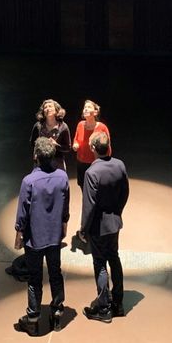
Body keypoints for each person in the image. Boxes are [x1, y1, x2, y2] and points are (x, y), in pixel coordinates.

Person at [14, 137, 70, 336]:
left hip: (34, 237)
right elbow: (65, 205)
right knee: (55, 272)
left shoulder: (29, 181)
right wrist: (64, 223)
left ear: (35, 156)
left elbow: (23, 211)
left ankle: (33, 317)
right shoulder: (62, 177)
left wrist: (19, 232)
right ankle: (57, 312)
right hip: (54, 235)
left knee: (34, 277)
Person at [80, 132, 129, 323]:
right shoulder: (119, 165)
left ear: (92, 148)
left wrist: (83, 229)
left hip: (98, 227)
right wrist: (118, 212)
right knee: (114, 259)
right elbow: (125, 192)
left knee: (100, 264)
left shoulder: (92, 173)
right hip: (114, 223)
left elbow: (89, 205)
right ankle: (118, 303)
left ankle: (104, 308)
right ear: (108, 146)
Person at [72, 99, 111, 243]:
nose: (85, 109)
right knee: (86, 196)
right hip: (82, 165)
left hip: (96, 165)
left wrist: (105, 165)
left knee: (98, 196)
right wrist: (75, 145)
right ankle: (86, 228)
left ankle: (97, 226)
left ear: (95, 112)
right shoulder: (80, 125)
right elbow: (76, 140)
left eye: (89, 107)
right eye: (84, 107)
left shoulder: (102, 127)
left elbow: (107, 148)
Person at [29, 99, 71, 171]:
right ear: (43, 111)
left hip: (57, 161)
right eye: (45, 107)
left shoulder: (63, 127)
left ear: (56, 110)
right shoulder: (38, 126)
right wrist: (35, 154)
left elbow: (68, 148)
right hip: (41, 161)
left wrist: (56, 145)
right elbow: (33, 143)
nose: (48, 109)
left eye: (50, 106)